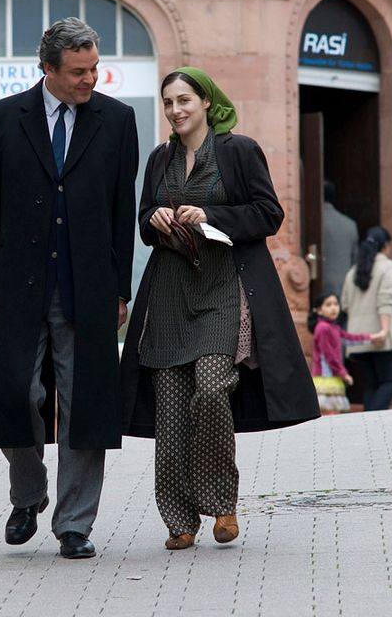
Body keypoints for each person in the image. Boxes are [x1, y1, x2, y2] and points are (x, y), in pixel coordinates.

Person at [121, 67, 319, 551]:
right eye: (168, 102)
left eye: (184, 99)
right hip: (169, 290)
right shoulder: (159, 159)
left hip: (225, 285)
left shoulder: (238, 150)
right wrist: (156, 217)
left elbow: (269, 214)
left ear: (206, 102)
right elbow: (144, 220)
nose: (176, 110)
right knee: (169, 407)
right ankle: (179, 519)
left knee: (211, 389)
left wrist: (211, 214)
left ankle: (221, 501)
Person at [0, 17, 139, 560]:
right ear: (48, 69)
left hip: (87, 285)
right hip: (18, 285)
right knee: (16, 394)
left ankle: (74, 524)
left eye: (94, 69)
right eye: (79, 72)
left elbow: (120, 211)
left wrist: (120, 289)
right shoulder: (2, 119)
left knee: (85, 402)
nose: (90, 80)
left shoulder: (117, 120)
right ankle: (29, 494)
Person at [341, 226, 392, 411]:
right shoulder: (388, 267)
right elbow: (385, 300)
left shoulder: (353, 271)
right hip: (380, 337)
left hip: (358, 338)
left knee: (370, 386)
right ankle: (372, 419)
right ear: (385, 246)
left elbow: (345, 304)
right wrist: (384, 331)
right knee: (390, 381)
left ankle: (369, 425)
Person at [308, 293, 383, 415]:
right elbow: (329, 356)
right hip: (325, 377)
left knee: (333, 412)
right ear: (319, 310)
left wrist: (371, 337)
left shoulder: (334, 328)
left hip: (333, 377)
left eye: (335, 304)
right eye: (328, 305)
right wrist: (343, 373)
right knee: (328, 412)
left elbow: (349, 338)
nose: (333, 308)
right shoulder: (322, 328)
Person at [321, 180, 359, 298]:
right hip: (344, 285)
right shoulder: (350, 224)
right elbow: (355, 259)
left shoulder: (313, 222)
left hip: (320, 285)